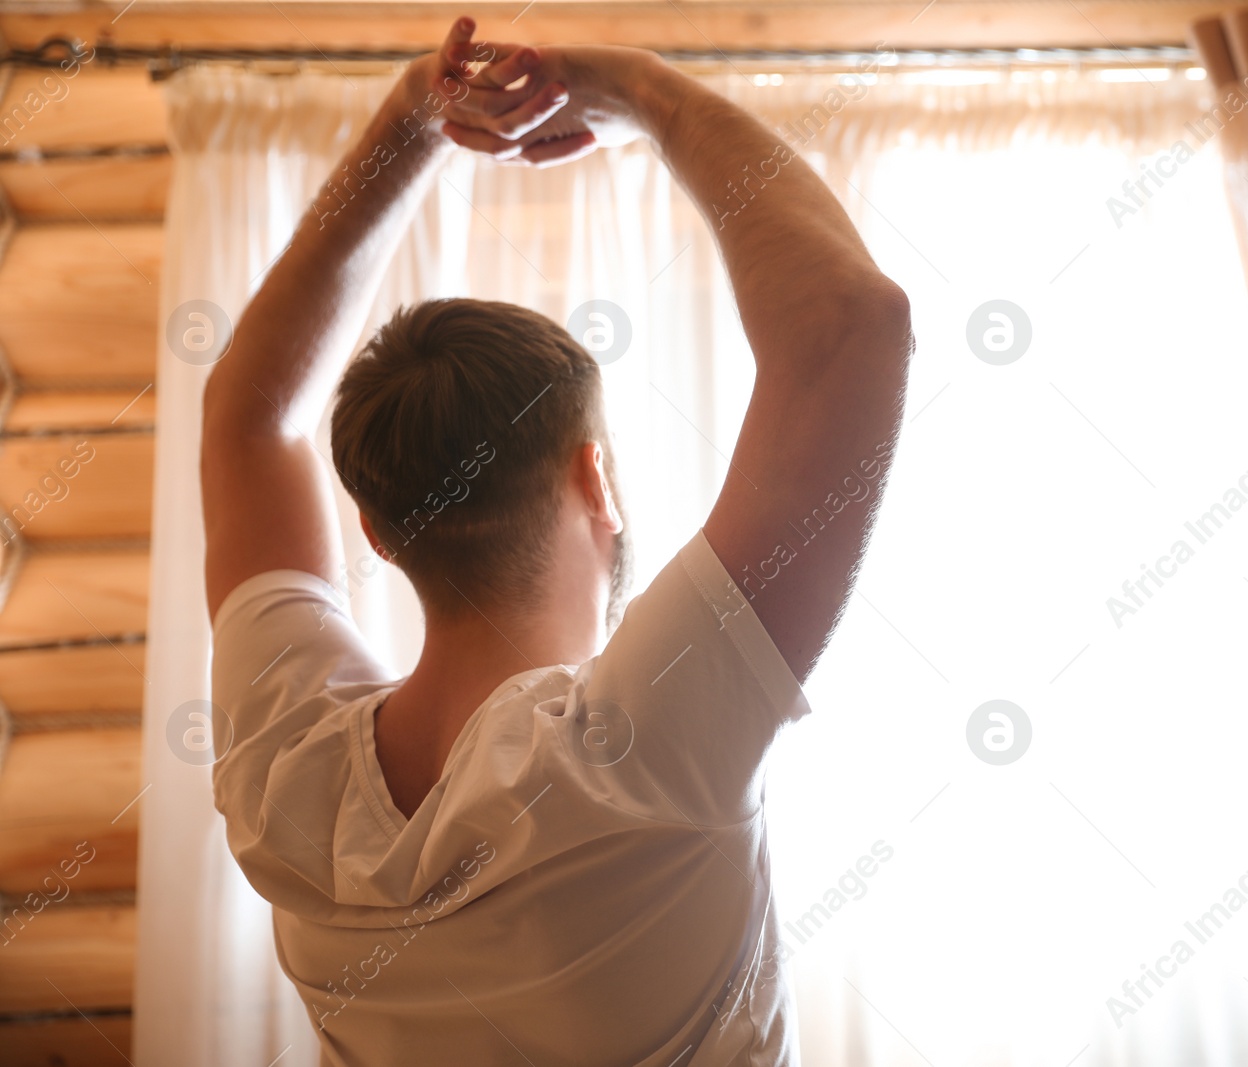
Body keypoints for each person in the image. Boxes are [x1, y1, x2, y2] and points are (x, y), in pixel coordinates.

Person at [199, 18, 913, 1067]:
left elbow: (248, 418)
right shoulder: (651, 748)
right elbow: (853, 321)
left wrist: (411, 121)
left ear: (376, 529)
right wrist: (646, 92)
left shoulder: (285, 771)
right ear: (595, 478)